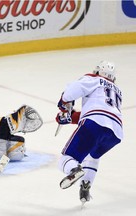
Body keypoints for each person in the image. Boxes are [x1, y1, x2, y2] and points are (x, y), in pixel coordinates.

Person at [55, 61, 123, 205]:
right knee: (92, 157)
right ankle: (85, 187)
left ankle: (74, 169)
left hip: (94, 123)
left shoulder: (93, 79)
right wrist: (70, 117)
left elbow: (73, 90)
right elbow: (102, 111)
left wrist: (64, 101)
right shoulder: (117, 90)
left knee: (65, 159)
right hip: (115, 133)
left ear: (98, 71)